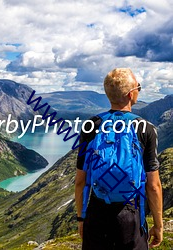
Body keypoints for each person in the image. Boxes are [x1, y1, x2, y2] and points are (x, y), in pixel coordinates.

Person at [75, 68, 163, 250]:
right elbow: (153, 185)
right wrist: (158, 225)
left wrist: (81, 218)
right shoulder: (145, 129)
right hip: (130, 214)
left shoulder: (91, 125)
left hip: (97, 212)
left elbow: (80, 181)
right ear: (131, 94)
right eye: (139, 87)